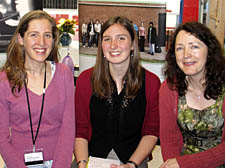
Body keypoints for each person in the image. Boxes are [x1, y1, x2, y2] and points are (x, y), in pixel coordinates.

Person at [74, 16, 160, 168]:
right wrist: (82, 163)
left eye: (121, 38)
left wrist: (132, 164)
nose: (114, 45)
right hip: (91, 159)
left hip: (134, 159)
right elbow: (80, 130)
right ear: (101, 46)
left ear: (133, 44)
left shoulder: (151, 83)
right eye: (107, 39)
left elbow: (151, 132)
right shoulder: (85, 80)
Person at [0, 10, 75, 168]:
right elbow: (1, 137)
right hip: (18, 163)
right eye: (34, 35)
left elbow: (68, 129)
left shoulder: (63, 75)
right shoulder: (4, 81)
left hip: (57, 162)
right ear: (21, 39)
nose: (41, 42)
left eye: (47, 35)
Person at [159, 22, 225, 168]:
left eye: (194, 47)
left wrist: (184, 163)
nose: (186, 55)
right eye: (179, 48)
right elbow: (169, 140)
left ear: (209, 50)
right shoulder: (169, 88)